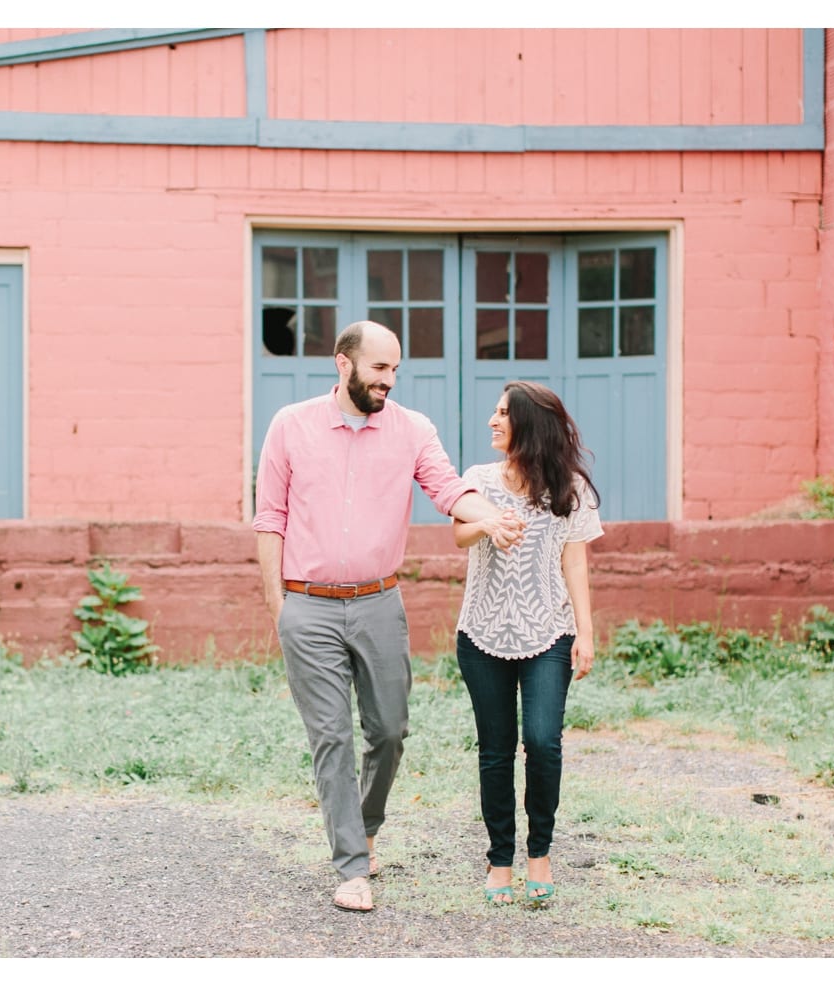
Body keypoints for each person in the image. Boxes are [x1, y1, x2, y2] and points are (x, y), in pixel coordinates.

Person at [253, 320, 524, 913]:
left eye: (395, 369)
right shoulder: (290, 427)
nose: (389, 381)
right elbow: (269, 518)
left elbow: (450, 490)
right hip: (309, 606)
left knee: (390, 732)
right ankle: (352, 867)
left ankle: (367, 828)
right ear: (343, 364)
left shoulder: (412, 430)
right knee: (332, 736)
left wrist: (492, 516)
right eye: (379, 369)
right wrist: (281, 609)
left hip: (379, 603)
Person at [451, 381, 603, 907]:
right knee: (495, 752)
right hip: (482, 633)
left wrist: (585, 631)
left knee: (542, 742)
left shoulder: (570, 488)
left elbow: (575, 560)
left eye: (502, 414)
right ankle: (500, 860)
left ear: (529, 425)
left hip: (549, 633)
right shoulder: (477, 480)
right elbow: (458, 534)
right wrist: (488, 525)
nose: (492, 422)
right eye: (493, 412)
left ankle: (540, 852)